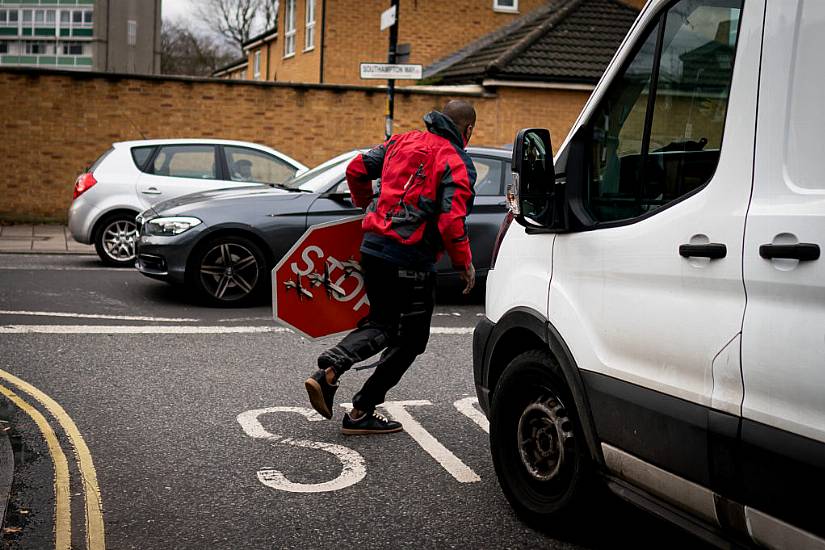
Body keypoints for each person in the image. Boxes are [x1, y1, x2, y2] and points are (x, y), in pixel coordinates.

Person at [304, 100, 478, 435]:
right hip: (410, 258)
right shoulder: (457, 161)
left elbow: (356, 168)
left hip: (373, 248)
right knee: (408, 339)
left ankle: (350, 396)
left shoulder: (400, 141)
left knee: (383, 323)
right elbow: (451, 222)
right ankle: (345, 389)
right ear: (467, 129)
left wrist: (365, 205)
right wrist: (464, 263)